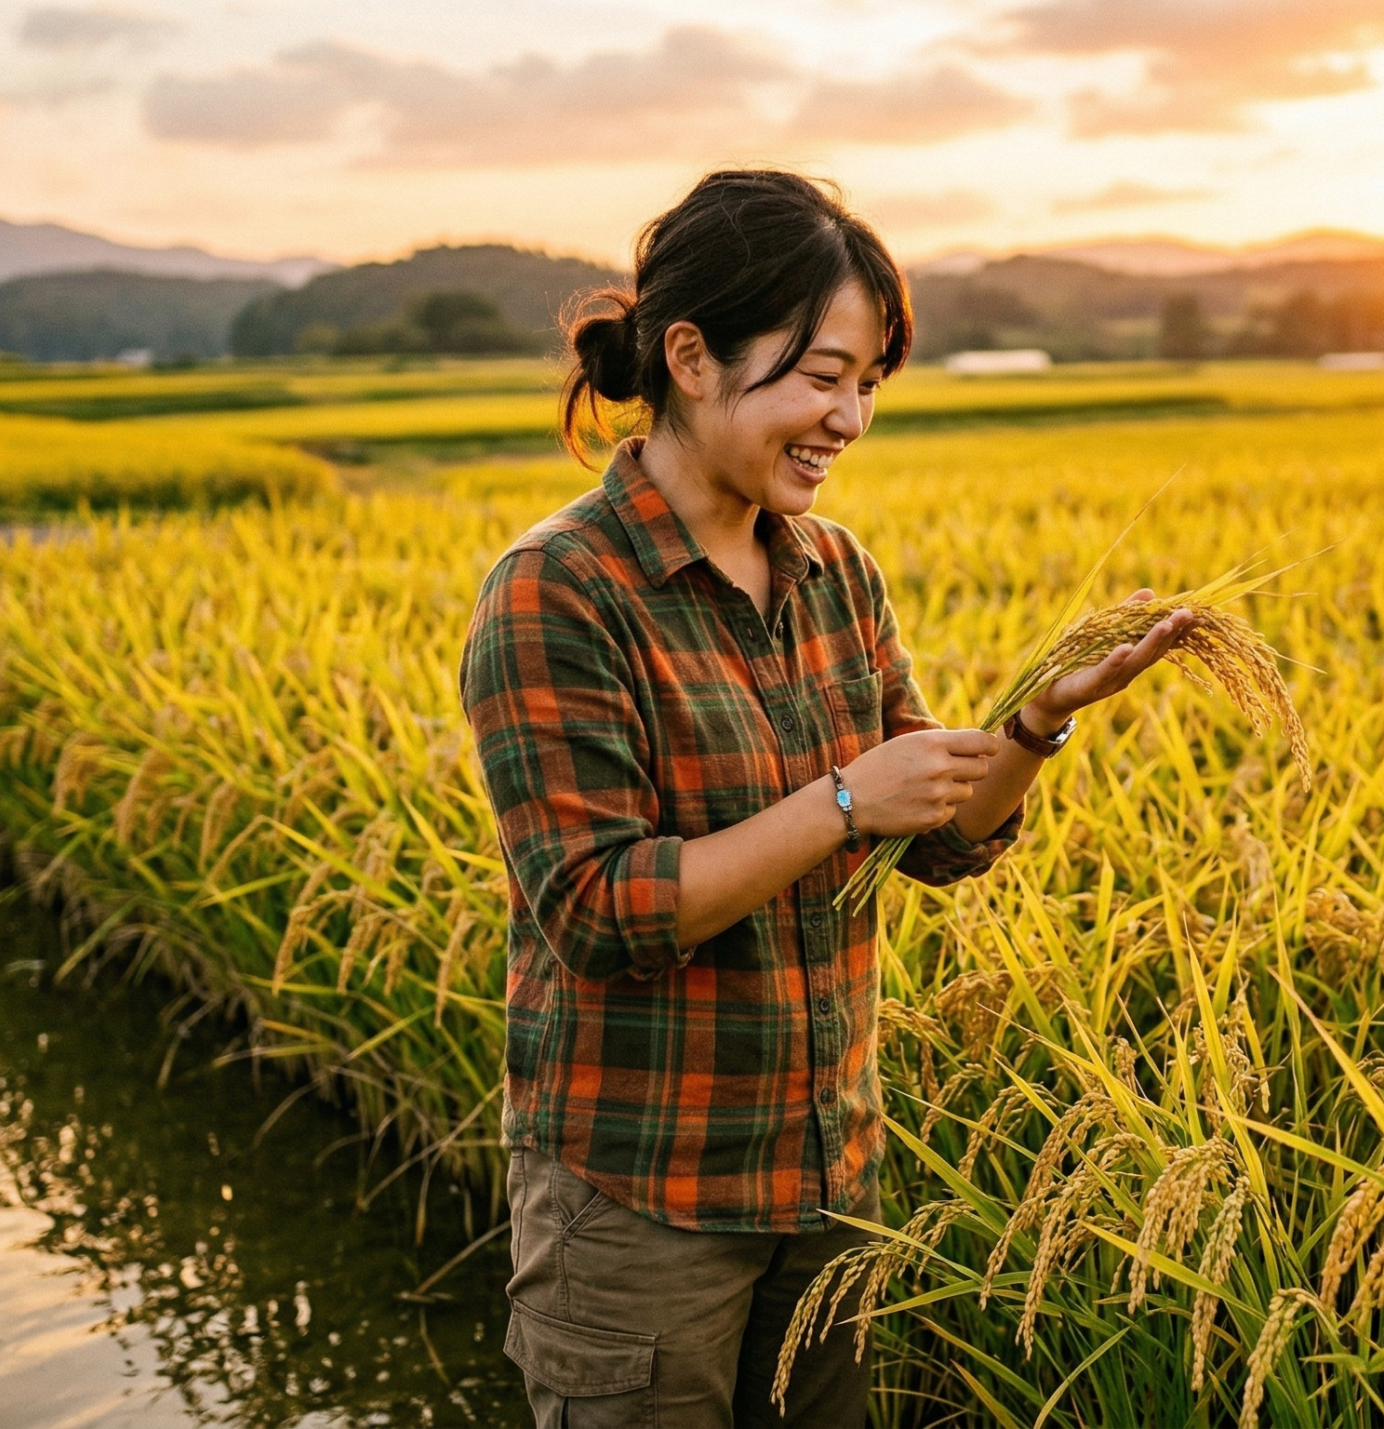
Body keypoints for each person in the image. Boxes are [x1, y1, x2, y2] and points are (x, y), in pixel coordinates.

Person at [457, 169, 1194, 1429]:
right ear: (690, 355)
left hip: (827, 1180)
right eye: (821, 376)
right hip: (640, 1204)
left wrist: (1034, 720)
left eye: (868, 385)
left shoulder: (832, 567)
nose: (848, 417)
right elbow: (598, 910)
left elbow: (945, 841)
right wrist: (844, 799)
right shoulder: (558, 590)